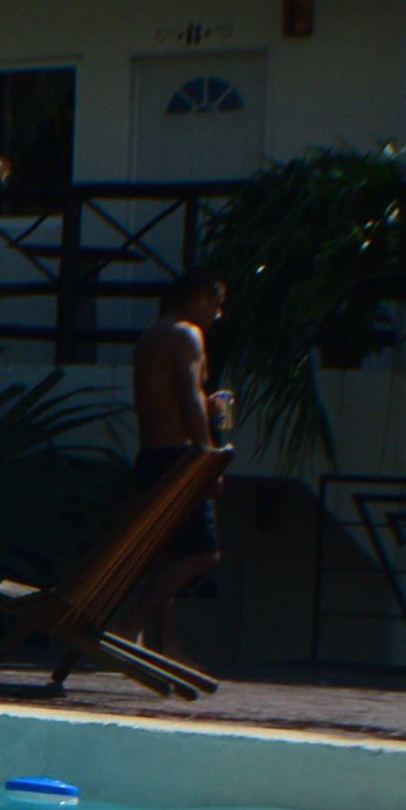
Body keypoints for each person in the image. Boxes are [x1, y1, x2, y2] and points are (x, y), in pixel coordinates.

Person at [109, 267, 236, 651]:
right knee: (202, 554)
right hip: (179, 457)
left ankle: (166, 645)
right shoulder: (186, 333)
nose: (218, 315)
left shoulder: (152, 335)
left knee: (166, 555)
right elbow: (189, 394)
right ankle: (130, 624)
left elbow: (173, 394)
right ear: (200, 298)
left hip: (152, 456)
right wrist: (207, 456)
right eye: (217, 305)